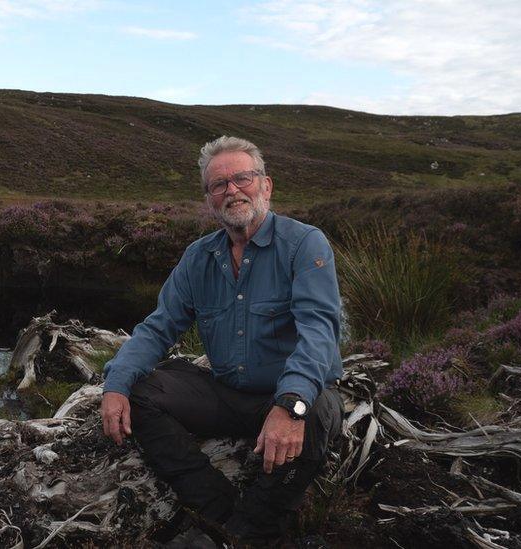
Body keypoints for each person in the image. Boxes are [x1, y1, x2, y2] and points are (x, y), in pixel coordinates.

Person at [100, 136, 344, 546]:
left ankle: (250, 533)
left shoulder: (304, 244)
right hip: (228, 395)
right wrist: (115, 383)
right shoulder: (199, 257)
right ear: (209, 199)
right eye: (219, 185)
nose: (232, 190)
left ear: (266, 186)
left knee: (315, 411)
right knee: (141, 393)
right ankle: (219, 510)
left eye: (242, 178)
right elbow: (159, 327)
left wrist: (291, 404)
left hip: (290, 394)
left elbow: (319, 332)